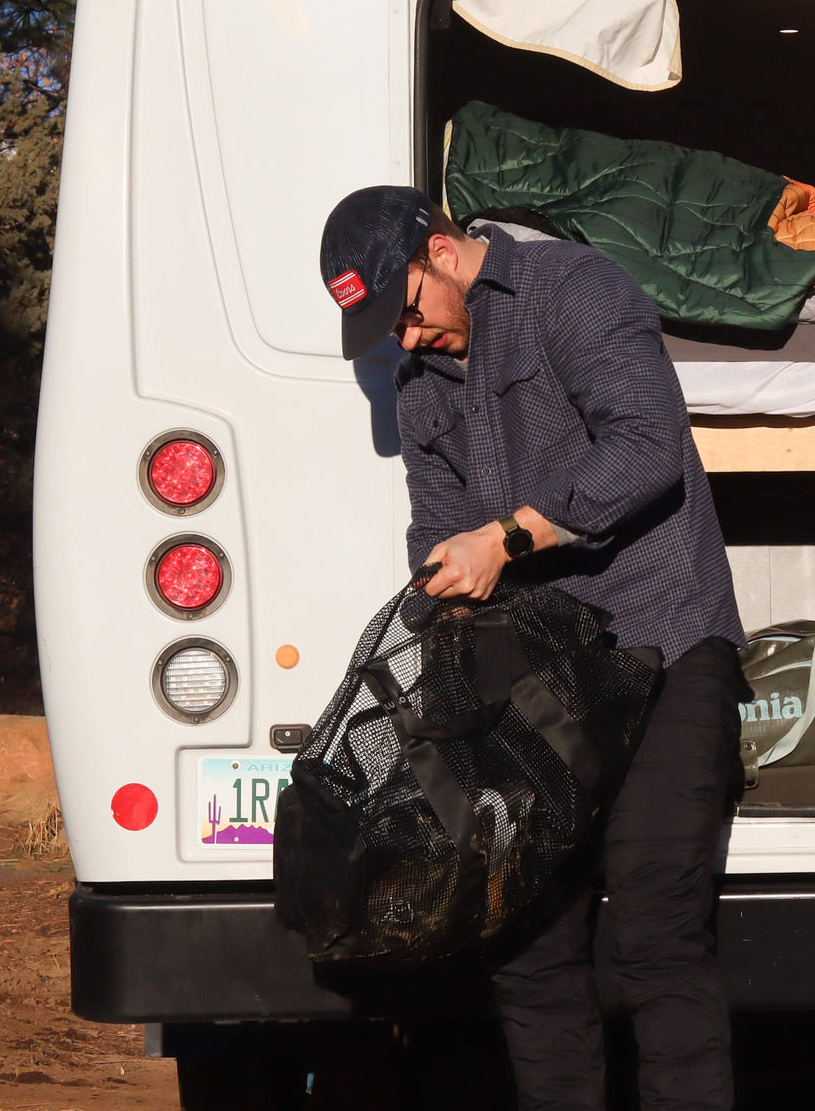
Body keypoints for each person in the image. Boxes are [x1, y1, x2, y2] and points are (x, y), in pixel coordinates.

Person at [319, 184, 746, 1111]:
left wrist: (506, 539)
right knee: (525, 944)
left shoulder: (575, 289)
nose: (407, 339)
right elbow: (436, 529)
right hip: (543, 675)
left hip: (664, 641)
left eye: (407, 313)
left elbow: (646, 446)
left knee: (656, 929)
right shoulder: (418, 384)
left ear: (439, 251)